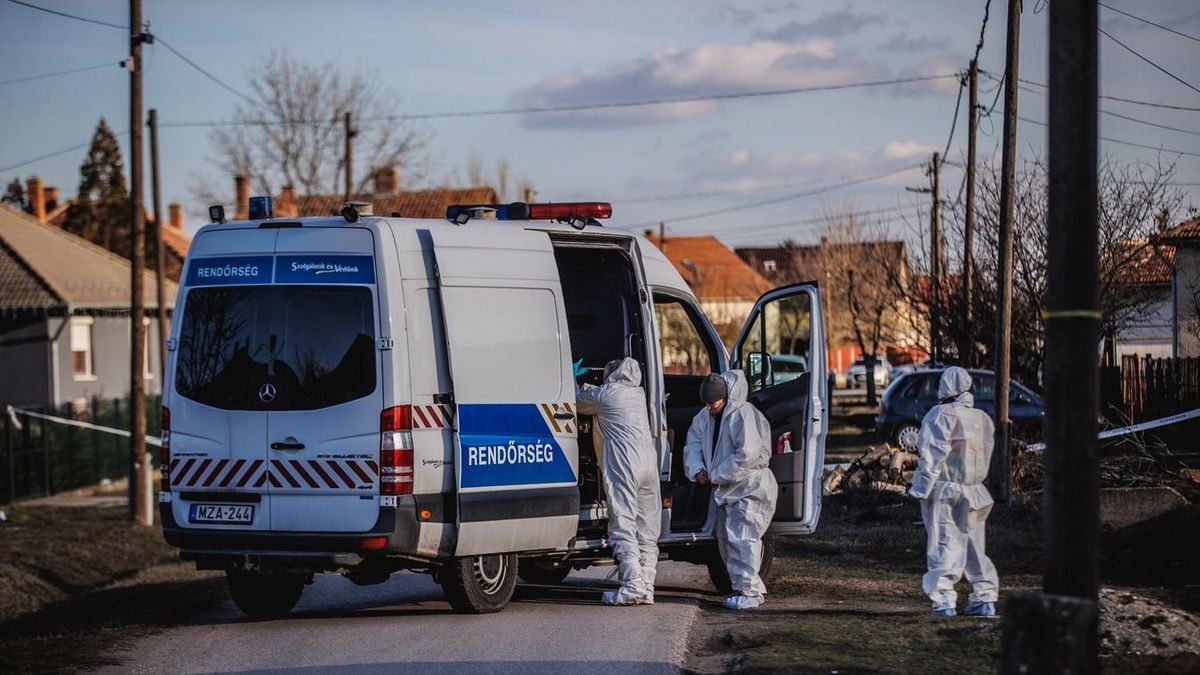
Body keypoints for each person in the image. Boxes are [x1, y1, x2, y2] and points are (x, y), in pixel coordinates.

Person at [908, 366, 1000, 617]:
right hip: (975, 491)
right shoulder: (982, 418)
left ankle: (944, 602)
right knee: (974, 548)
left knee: (943, 547)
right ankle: (984, 598)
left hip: (946, 490)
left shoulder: (940, 415)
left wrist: (920, 489)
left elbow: (932, 454)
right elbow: (986, 453)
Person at [683, 370, 778, 610]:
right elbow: (693, 443)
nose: (709, 408)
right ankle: (741, 588)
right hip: (728, 489)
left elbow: (747, 456)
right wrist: (697, 470)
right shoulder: (704, 416)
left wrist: (715, 474)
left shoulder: (744, 416)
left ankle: (751, 592)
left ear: (725, 397)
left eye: (713, 403)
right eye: (706, 404)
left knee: (743, 539)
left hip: (750, 487)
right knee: (727, 541)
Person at [574, 357, 662, 606]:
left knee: (623, 521)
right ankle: (647, 585)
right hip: (648, 463)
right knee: (647, 527)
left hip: (626, 462)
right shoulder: (637, 394)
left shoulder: (607, 395)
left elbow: (578, 400)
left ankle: (632, 585)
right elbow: (600, 396)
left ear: (612, 374)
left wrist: (571, 377)